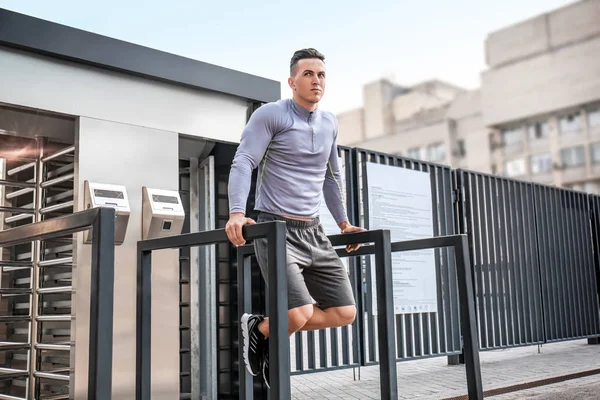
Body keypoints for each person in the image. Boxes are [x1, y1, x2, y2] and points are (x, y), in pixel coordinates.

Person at [226, 48, 364, 388]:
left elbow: (332, 177)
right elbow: (244, 161)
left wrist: (344, 223)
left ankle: (261, 328)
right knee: (298, 314)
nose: (316, 80)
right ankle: (266, 333)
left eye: (321, 74)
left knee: (345, 312)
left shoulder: (330, 122)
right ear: (292, 81)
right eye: (308, 74)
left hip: (314, 231)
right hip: (275, 228)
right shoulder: (271, 115)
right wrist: (237, 213)